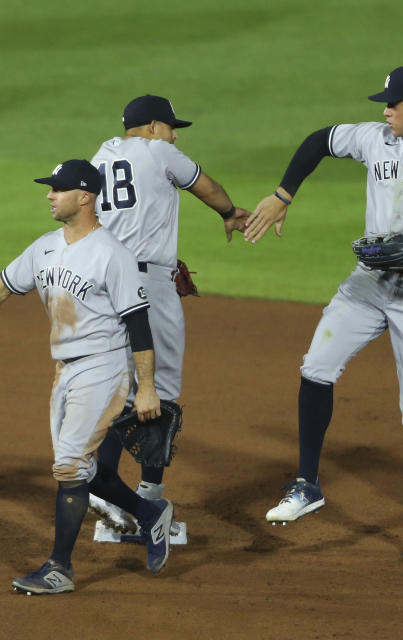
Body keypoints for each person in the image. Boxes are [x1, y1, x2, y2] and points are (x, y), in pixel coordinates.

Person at [244, 65, 403, 563]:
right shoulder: (376, 139)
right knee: (316, 368)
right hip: (369, 281)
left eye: (393, 103)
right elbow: (320, 140)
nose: (384, 111)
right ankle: (307, 485)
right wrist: (282, 196)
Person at [0, 159, 175, 595]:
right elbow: (0, 286)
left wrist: (146, 386)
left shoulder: (113, 255)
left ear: (85, 197)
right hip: (65, 371)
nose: (49, 195)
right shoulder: (44, 247)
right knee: (84, 470)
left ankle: (60, 568)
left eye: (57, 189)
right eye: (50, 188)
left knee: (70, 467)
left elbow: (138, 324)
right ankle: (152, 515)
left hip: (104, 367)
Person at [86, 94, 251, 535]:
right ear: (154, 126)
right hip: (148, 285)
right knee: (159, 390)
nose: (175, 135)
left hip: (103, 282)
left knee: (117, 385)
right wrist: (230, 212)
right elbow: (207, 187)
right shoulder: (160, 151)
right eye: (171, 127)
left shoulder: (100, 156)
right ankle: (148, 502)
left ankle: (103, 491)